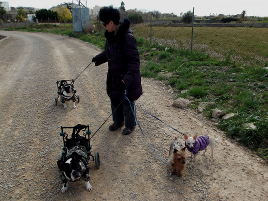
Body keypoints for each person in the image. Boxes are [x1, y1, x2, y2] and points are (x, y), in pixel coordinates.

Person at [92, 6, 142, 135]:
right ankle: (118, 122)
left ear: (111, 22)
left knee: (127, 102)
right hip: (114, 76)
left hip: (126, 78)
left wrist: (128, 77)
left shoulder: (127, 38)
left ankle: (130, 125)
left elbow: (134, 61)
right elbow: (109, 53)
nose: (104, 27)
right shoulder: (111, 36)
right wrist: (98, 58)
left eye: (104, 24)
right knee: (115, 99)